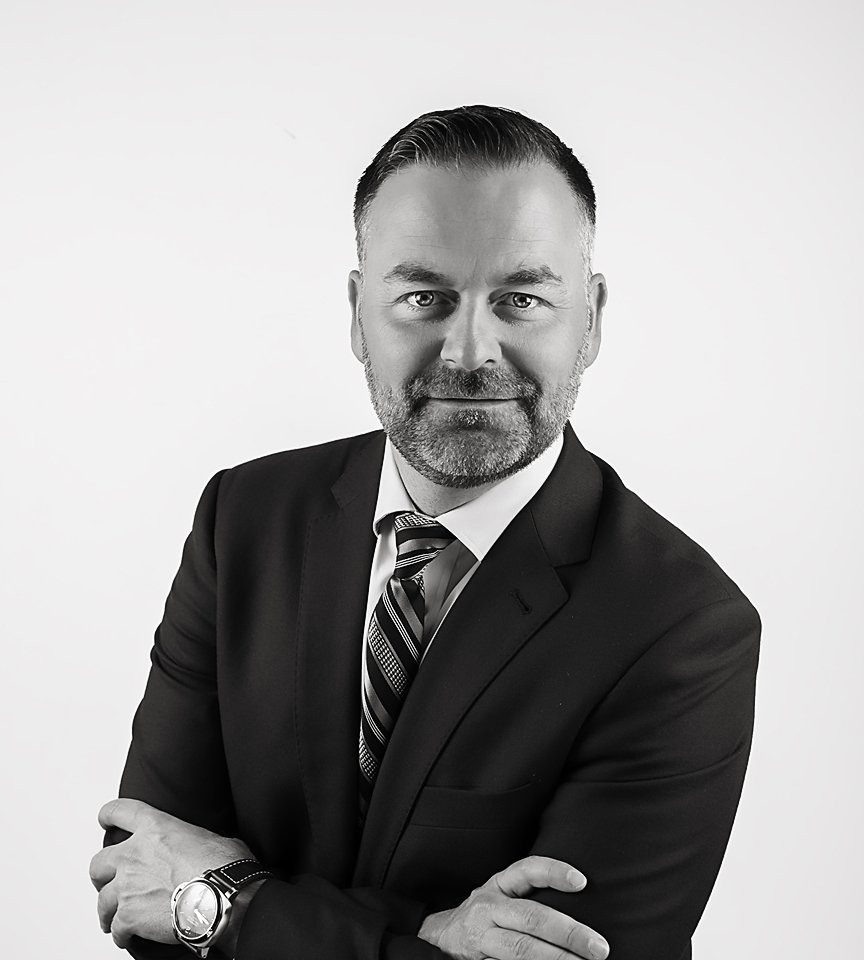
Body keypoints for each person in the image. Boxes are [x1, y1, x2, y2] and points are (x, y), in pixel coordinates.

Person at [89, 104, 761, 960]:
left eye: (521, 297)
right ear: (356, 313)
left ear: (590, 319)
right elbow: (137, 882)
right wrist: (428, 938)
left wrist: (225, 909)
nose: (470, 351)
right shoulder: (243, 519)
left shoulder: (682, 629)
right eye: (423, 297)